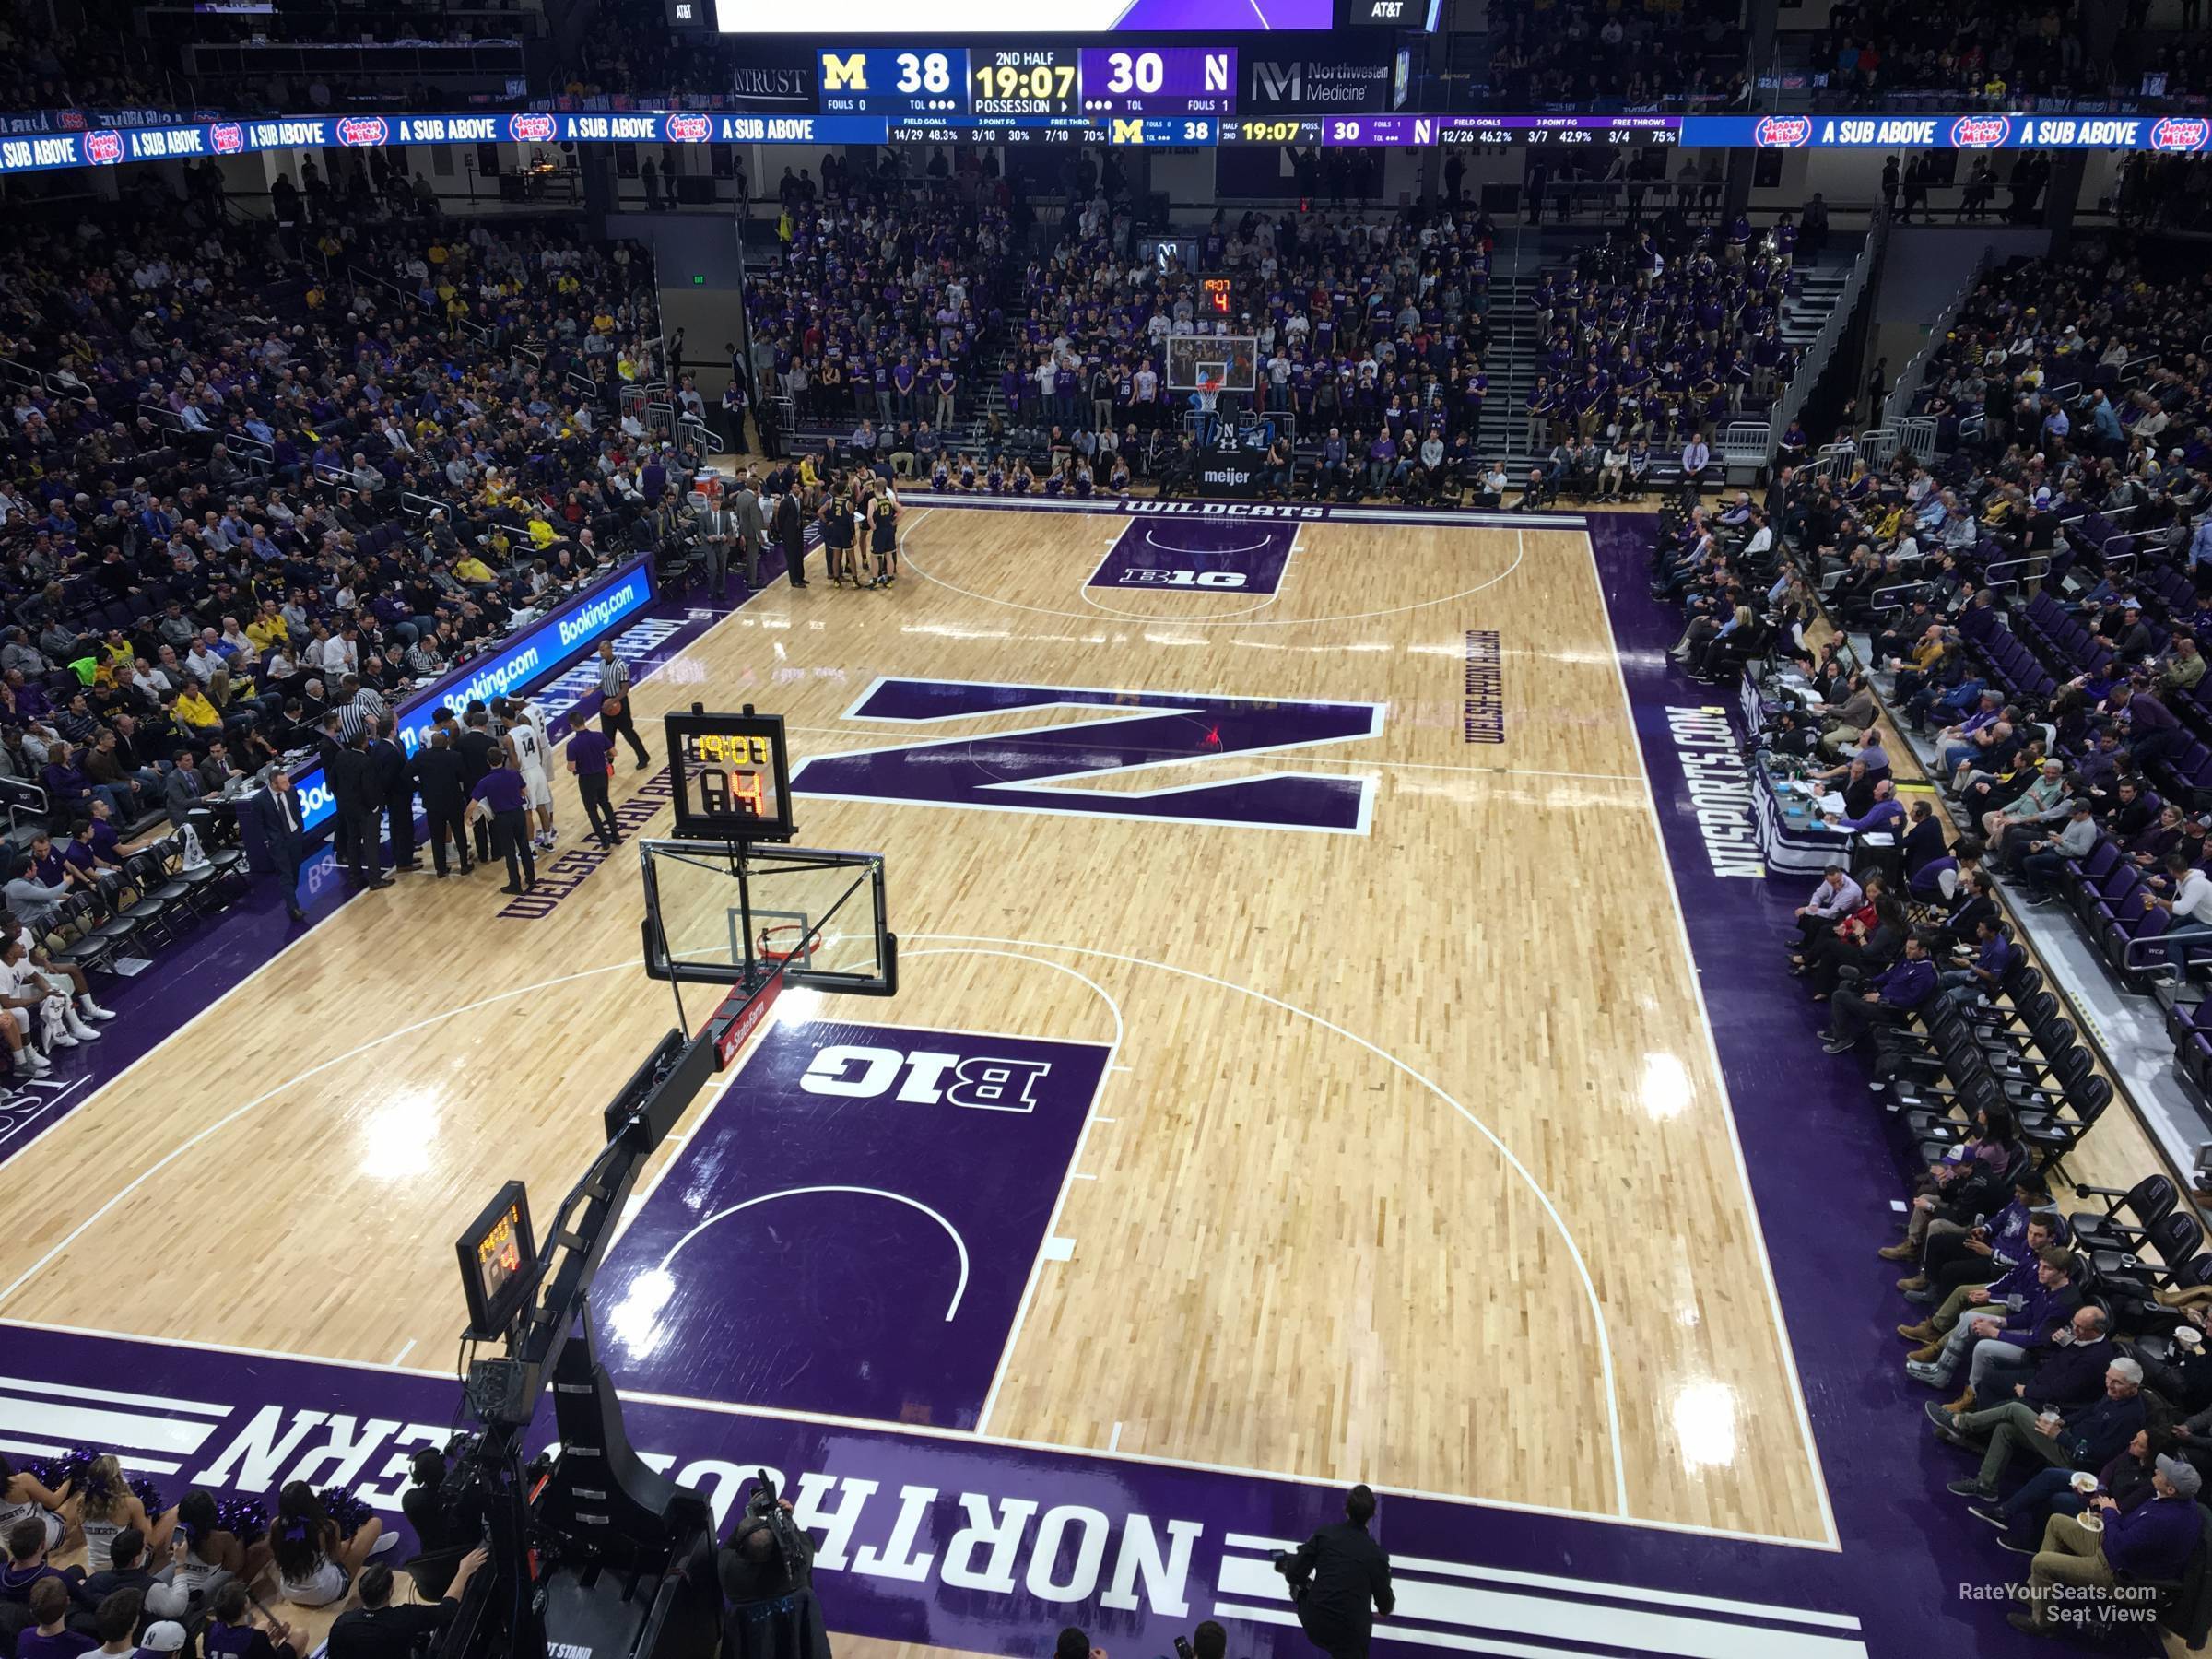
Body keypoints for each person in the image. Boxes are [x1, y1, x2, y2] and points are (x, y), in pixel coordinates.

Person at [2008, 1453, 2204, 1635]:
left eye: (2163, 1473)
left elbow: (2119, 1547)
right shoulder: (2174, 1501)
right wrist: (2112, 1516)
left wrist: (2110, 1514)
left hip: (2120, 1575)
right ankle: (2037, 1596)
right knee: (2057, 1522)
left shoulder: (2165, 1520)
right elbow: (2131, 1533)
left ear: (2171, 1489)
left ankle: (2043, 1623)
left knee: (2041, 1562)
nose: (2157, 1470)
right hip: (2114, 1549)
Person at [1275, 1484, 1394, 1659]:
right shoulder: (1378, 1557)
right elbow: (1385, 1606)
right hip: (1350, 1638)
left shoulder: (1324, 1535)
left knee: (1299, 1579)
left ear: (1345, 1508)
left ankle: (1299, 1592)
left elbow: (1293, 1574)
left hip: (1314, 1623)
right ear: (1372, 1514)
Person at [325, 1549, 487, 1659]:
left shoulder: (342, 1623)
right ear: (390, 1591)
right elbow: (447, 1610)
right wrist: (463, 1571)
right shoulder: (405, 1618)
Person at [268, 1482, 387, 1609]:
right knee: (375, 1524)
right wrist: (349, 1540)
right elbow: (337, 1558)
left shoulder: (275, 1526)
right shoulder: (325, 1527)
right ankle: (368, 1549)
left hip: (289, 1591)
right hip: (324, 1592)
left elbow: (278, 1559)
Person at [470, 750, 536, 895]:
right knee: (524, 847)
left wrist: (467, 818)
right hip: (518, 813)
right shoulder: (514, 774)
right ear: (502, 759)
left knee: (510, 852)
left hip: (502, 818)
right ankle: (531, 879)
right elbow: (525, 791)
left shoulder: (485, 782)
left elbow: (472, 804)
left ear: (488, 762)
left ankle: (515, 884)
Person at [411, 732, 471, 878]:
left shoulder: (420, 756)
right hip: (453, 801)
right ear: (446, 744)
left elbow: (406, 774)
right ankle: (464, 865)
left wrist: (420, 787)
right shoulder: (454, 756)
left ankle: (440, 869)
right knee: (459, 833)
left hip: (432, 803)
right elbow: (464, 776)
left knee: (436, 836)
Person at [250, 768, 307, 921]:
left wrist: (300, 827)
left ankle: (290, 901)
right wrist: (267, 840)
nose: (288, 784)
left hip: (295, 835)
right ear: (274, 784)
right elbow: (258, 824)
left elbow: (297, 810)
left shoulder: (292, 790)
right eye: (284, 782)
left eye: (287, 780)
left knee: (294, 870)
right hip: (278, 842)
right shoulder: (259, 800)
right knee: (285, 874)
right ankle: (294, 908)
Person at [501, 698, 557, 852]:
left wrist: (514, 779)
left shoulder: (508, 738)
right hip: (538, 769)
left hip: (525, 775)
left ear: (504, 719)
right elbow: (539, 750)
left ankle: (531, 849)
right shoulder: (529, 729)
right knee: (542, 808)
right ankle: (548, 841)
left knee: (527, 812)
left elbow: (514, 763)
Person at [200, 1581, 300, 1659]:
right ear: (245, 1606)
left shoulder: (209, 1628)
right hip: (257, 1647)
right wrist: (277, 1639)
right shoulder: (256, 1638)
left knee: (263, 1625)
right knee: (300, 1634)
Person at [369, 718, 418, 874]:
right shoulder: (390, 752)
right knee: (403, 827)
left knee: (396, 827)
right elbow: (390, 778)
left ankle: (404, 857)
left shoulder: (377, 746)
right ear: (391, 731)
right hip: (398, 795)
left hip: (391, 796)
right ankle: (404, 861)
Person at [597, 641, 650, 767]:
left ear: (610, 649)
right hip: (606, 700)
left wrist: (613, 701)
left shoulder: (620, 665)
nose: (601, 652)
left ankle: (643, 757)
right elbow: (605, 682)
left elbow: (625, 688)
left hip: (619, 701)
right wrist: (594, 689)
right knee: (607, 736)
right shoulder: (601, 664)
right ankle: (608, 763)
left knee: (627, 732)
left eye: (603, 650)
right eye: (600, 650)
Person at [568, 722, 619, 850]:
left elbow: (571, 767)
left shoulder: (572, 744)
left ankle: (604, 840)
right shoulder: (599, 736)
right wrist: (603, 756)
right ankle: (616, 835)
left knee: (592, 810)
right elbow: (614, 752)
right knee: (605, 803)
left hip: (587, 779)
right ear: (583, 721)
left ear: (572, 725)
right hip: (602, 775)